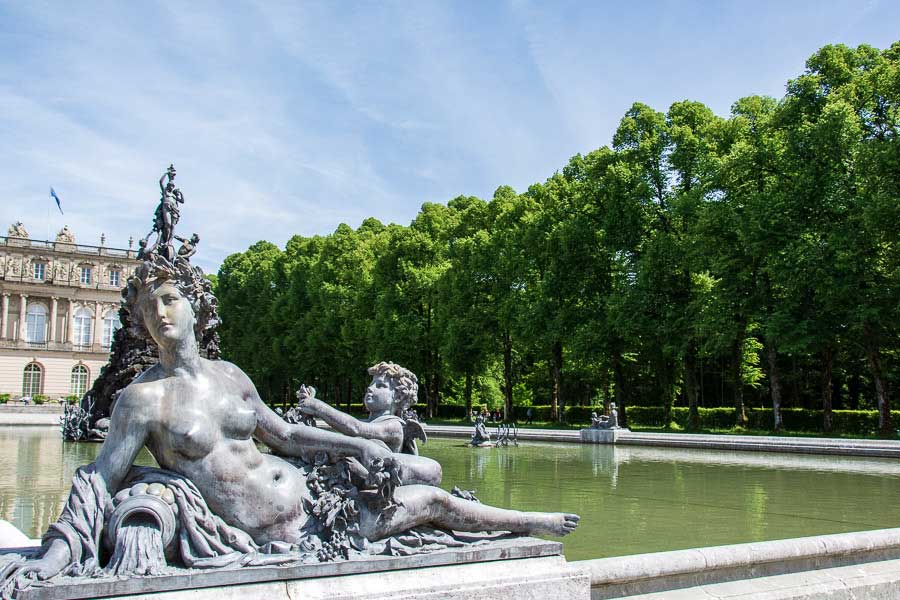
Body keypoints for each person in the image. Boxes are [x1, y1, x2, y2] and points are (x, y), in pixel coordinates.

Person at [6, 255, 578, 585]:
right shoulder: (141, 400)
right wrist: (57, 551)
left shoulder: (231, 375)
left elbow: (283, 434)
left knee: (417, 469)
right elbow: (99, 480)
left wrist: (351, 447)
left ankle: (523, 522)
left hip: (313, 491)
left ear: (196, 309)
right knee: (431, 502)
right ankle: (531, 523)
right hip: (284, 529)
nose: (160, 312)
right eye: (148, 306)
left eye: (171, 298)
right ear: (139, 324)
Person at [293, 361, 428, 456]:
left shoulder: (394, 426)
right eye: (371, 384)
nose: (370, 388)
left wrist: (317, 407)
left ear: (398, 397)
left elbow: (356, 428)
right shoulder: (372, 421)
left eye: (380, 386)